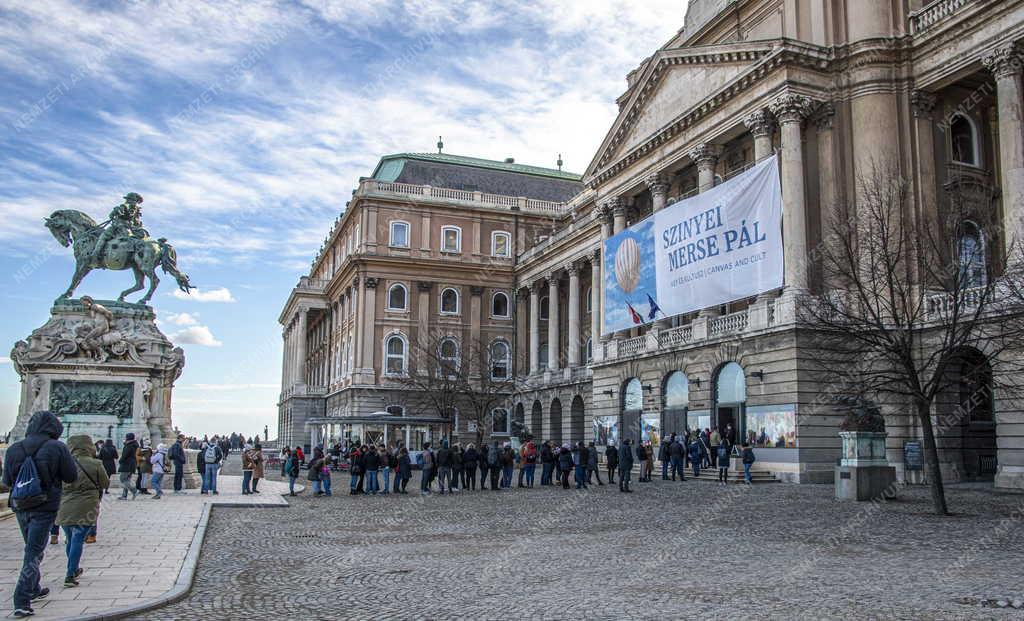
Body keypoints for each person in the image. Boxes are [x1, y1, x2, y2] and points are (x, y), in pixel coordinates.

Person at [2, 411, 77, 618]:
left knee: (31, 547)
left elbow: (7, 480)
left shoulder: (14, 449)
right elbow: (71, 476)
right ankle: (22, 599)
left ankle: (34, 588)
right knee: (34, 552)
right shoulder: (57, 447)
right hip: (44, 506)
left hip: (20, 505)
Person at [55, 434, 108, 588]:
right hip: (86, 506)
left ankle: (74, 568)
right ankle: (70, 574)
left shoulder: (64, 464)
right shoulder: (95, 464)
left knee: (70, 539)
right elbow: (105, 483)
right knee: (78, 540)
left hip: (65, 505)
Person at [117, 433, 139, 500]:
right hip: (132, 464)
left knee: (123, 479)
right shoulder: (134, 445)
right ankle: (124, 495)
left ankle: (134, 491)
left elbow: (125, 455)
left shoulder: (129, 446)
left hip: (127, 464)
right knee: (127, 479)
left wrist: (120, 461)